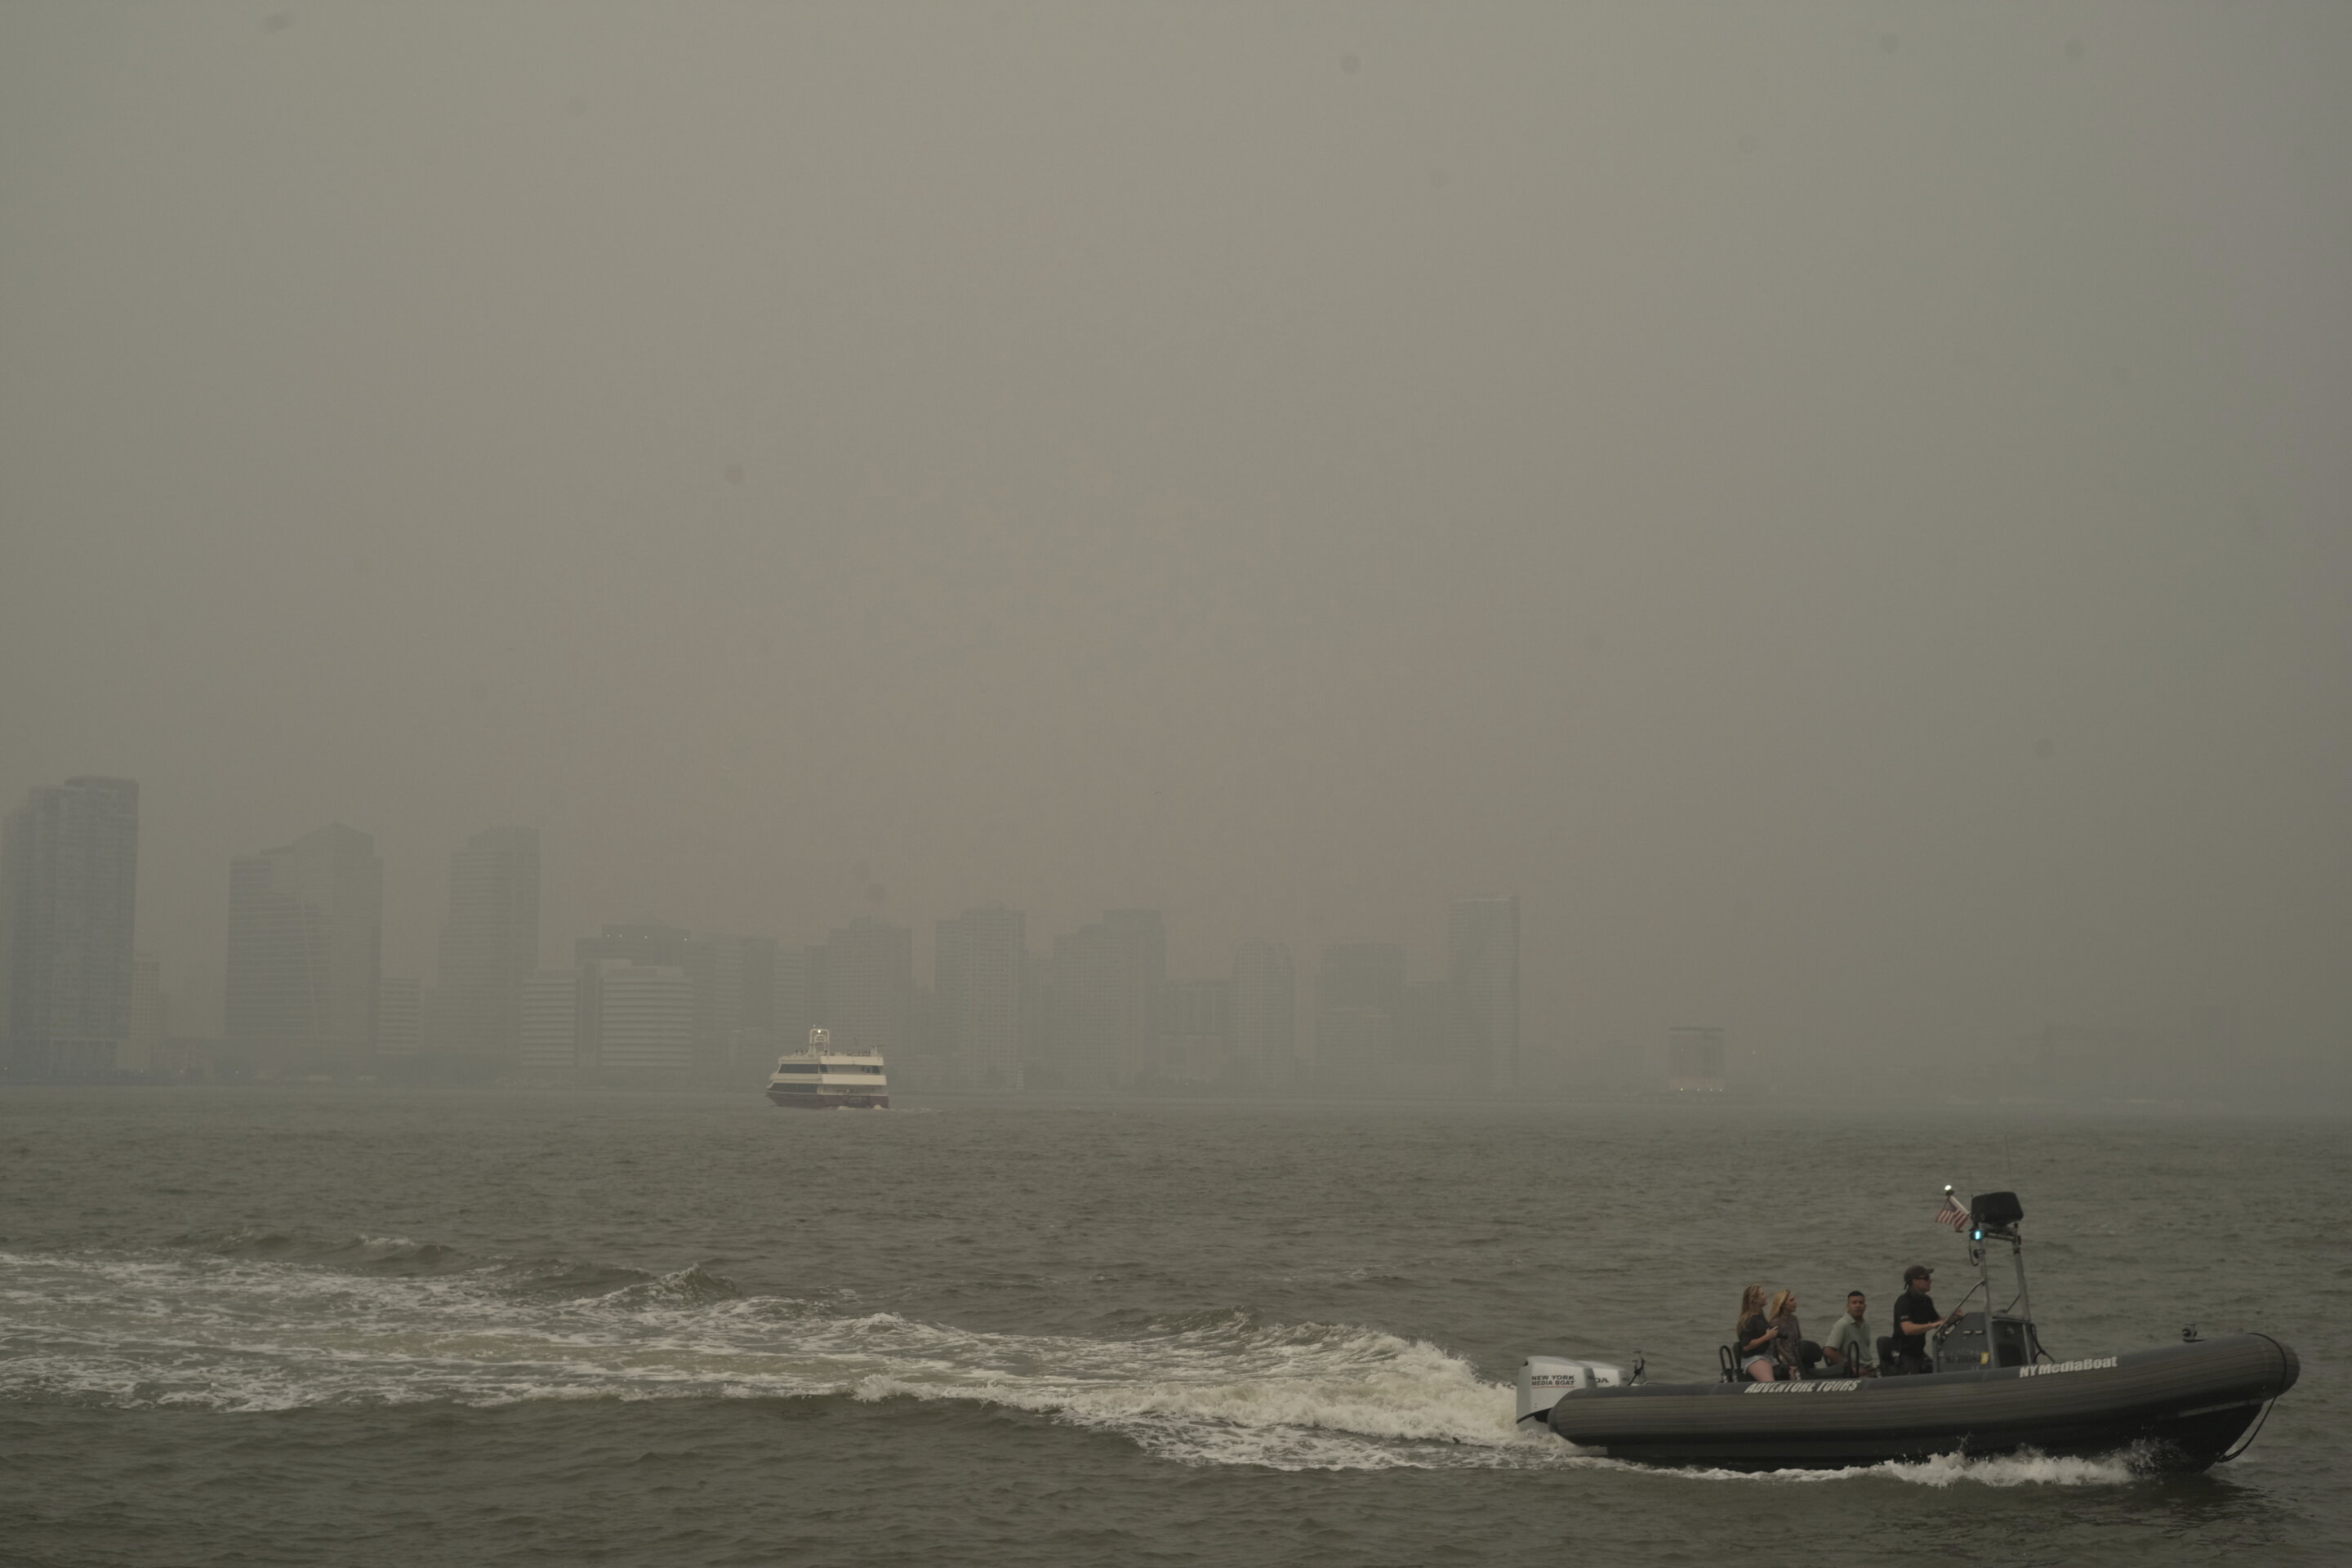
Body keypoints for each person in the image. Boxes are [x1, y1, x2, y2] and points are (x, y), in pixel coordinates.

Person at [1891, 1265, 1956, 1374]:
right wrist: (1931, 1326)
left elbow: (1938, 1323)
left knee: (1938, 1369)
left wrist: (1953, 1317)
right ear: (1915, 1281)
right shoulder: (1904, 1301)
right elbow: (1907, 1329)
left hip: (1919, 1353)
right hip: (1904, 1354)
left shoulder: (1926, 1301)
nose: (1930, 1281)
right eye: (1926, 1278)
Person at [1766, 1290, 1822, 1378]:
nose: (1795, 1303)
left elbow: (1799, 1340)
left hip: (1798, 1359)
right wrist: (1786, 1365)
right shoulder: (1775, 1322)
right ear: (1783, 1304)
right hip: (1786, 1363)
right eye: (1791, 1300)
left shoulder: (1794, 1319)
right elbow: (1774, 1348)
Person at [1734, 1283, 1778, 1381]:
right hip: (1753, 1358)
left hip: (1768, 1356)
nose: (1765, 1296)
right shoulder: (1748, 1320)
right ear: (1755, 1300)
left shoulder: (1760, 1316)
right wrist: (1767, 1337)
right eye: (1762, 1294)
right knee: (1769, 1382)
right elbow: (1746, 1346)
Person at [1823, 1290, 1872, 1374]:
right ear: (1848, 1306)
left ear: (1865, 1306)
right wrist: (1849, 1369)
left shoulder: (1866, 1326)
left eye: (1861, 1303)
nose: (1858, 1306)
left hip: (1868, 1368)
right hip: (1855, 1372)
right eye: (1854, 1303)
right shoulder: (1842, 1325)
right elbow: (1829, 1351)